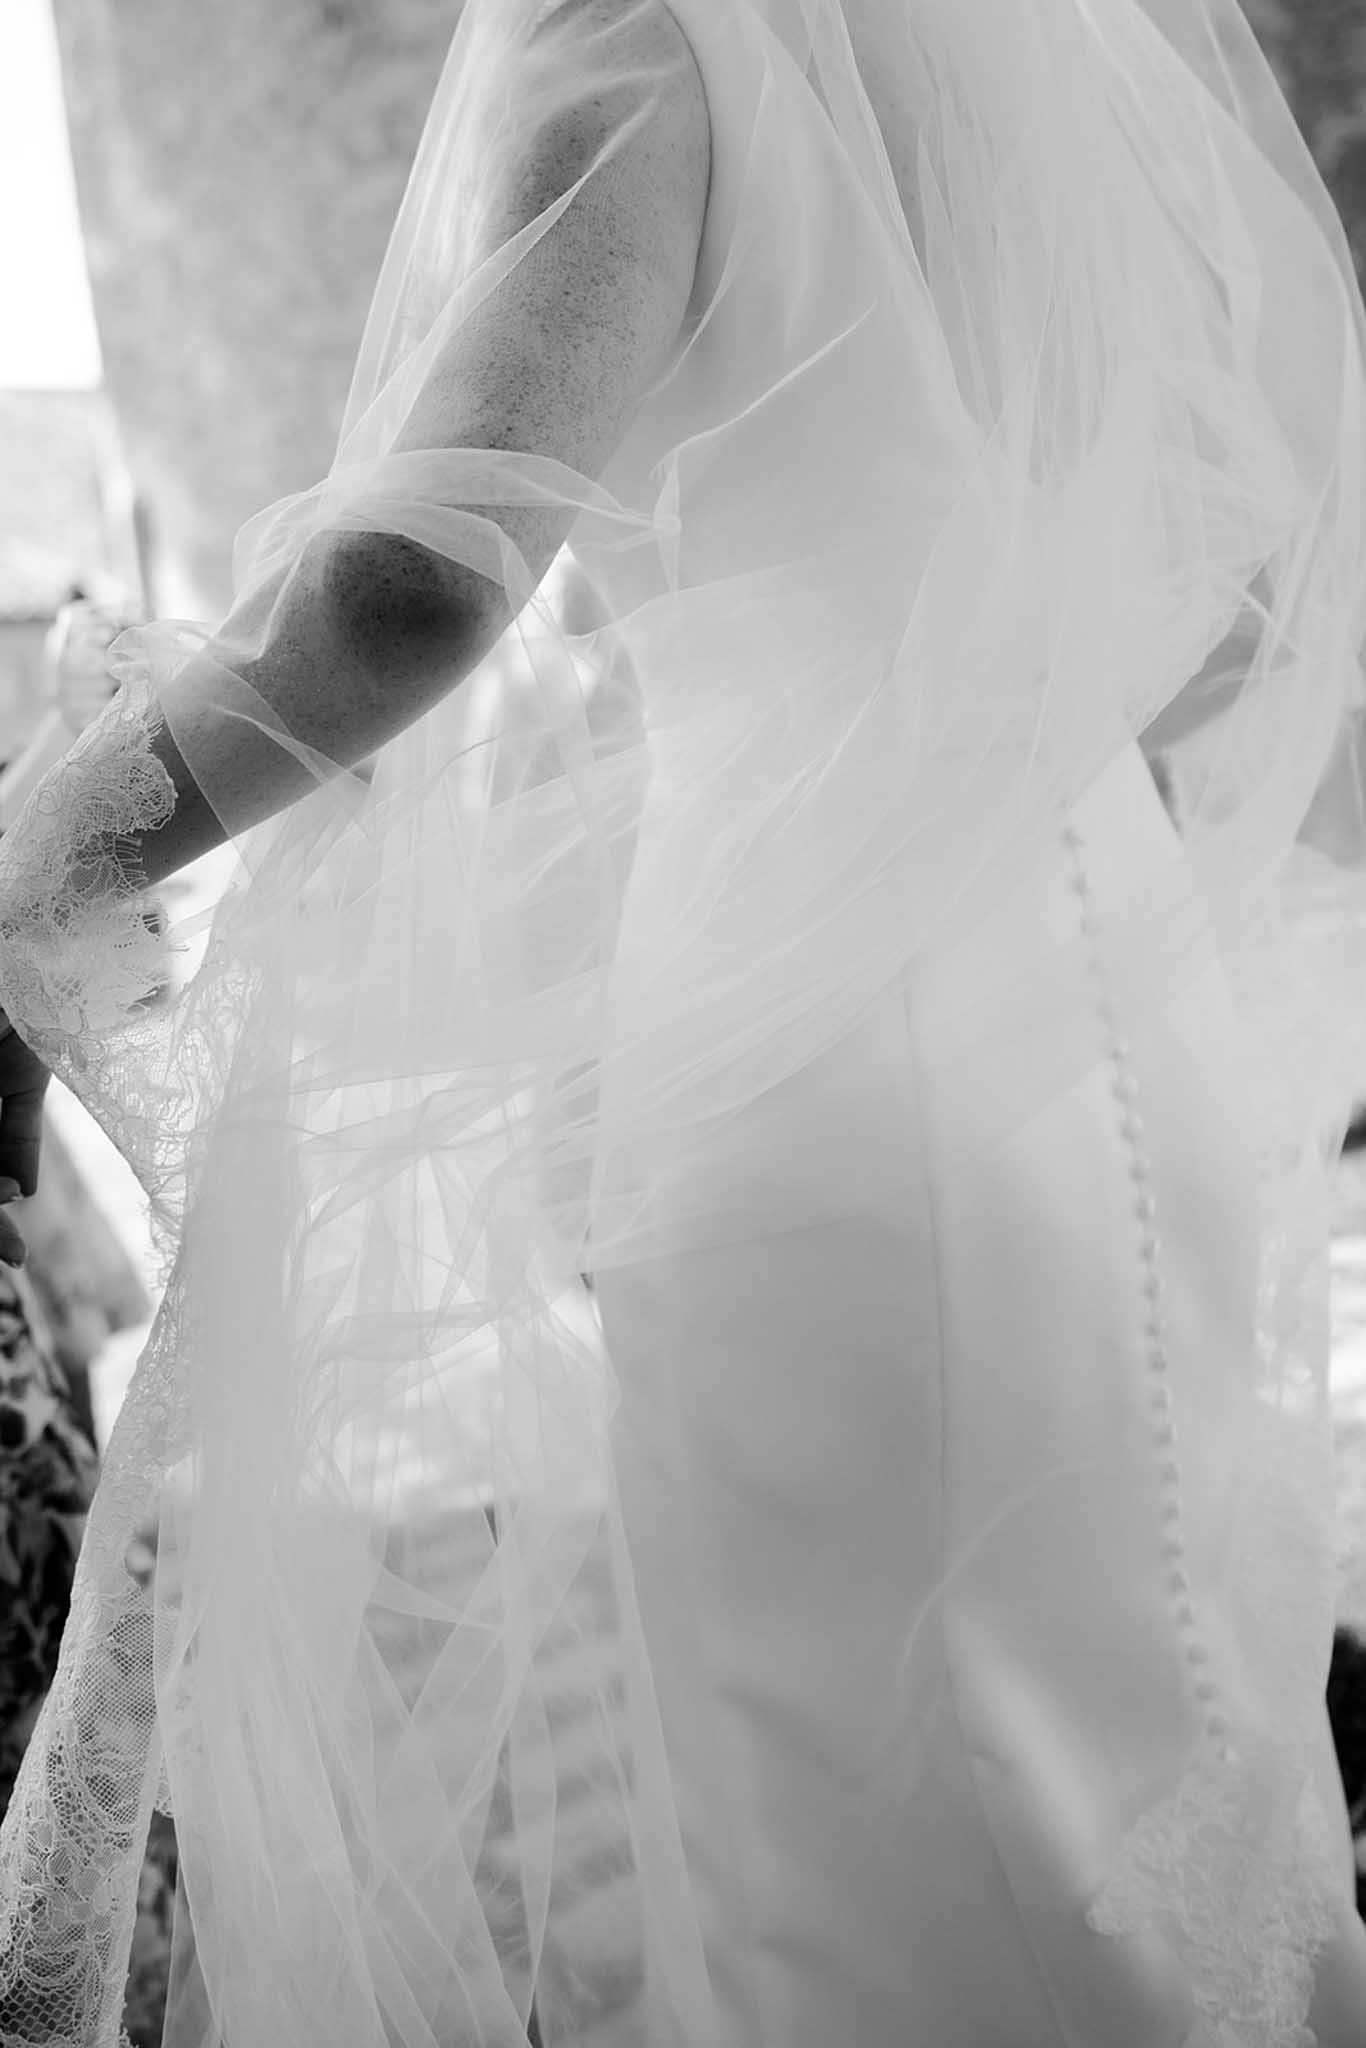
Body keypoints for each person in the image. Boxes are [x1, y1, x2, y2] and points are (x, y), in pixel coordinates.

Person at [2, 0, 1366, 2041]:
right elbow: (1190, 550)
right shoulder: (973, 46)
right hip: (1083, 938)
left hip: (846, 1042)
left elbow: (412, 586)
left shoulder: (641, 27)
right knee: (1131, 1704)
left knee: (875, 1775)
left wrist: (35, 862)